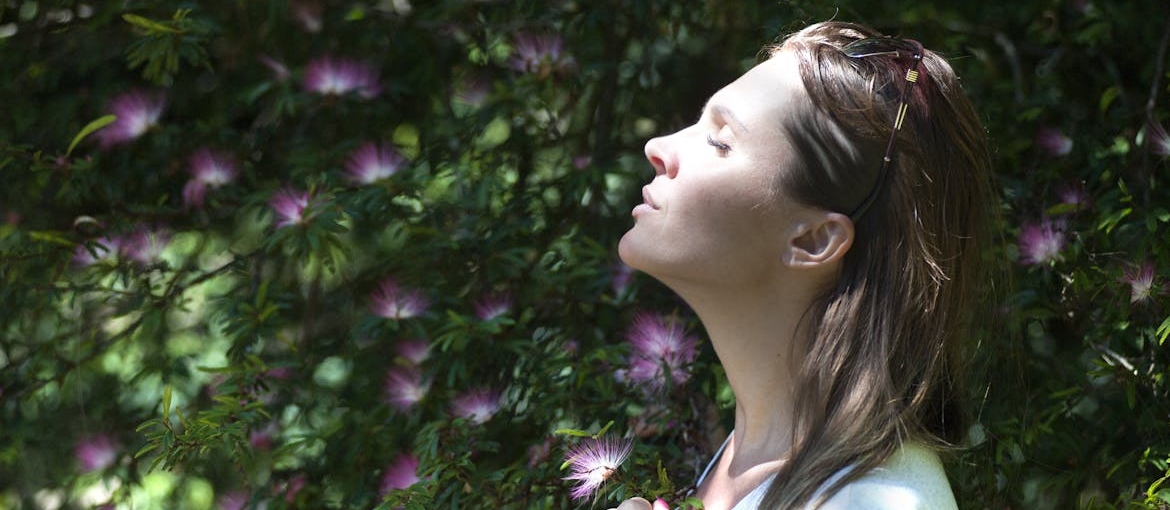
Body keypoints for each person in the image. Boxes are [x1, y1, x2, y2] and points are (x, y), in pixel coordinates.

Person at [613, 20, 994, 510]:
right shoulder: (749, 462)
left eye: (719, 142)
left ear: (815, 239)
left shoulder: (876, 499)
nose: (660, 147)